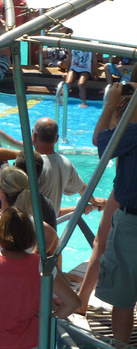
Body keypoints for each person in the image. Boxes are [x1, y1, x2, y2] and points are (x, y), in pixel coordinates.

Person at [0, 207, 80, 348]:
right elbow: (73, 303)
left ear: (0, 233)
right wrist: (50, 318)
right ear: (30, 235)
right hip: (30, 342)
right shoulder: (41, 265)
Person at [92, 82, 137, 344]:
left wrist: (110, 104)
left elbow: (101, 143)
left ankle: (119, 344)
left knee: (123, 295)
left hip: (132, 222)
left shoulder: (132, 134)